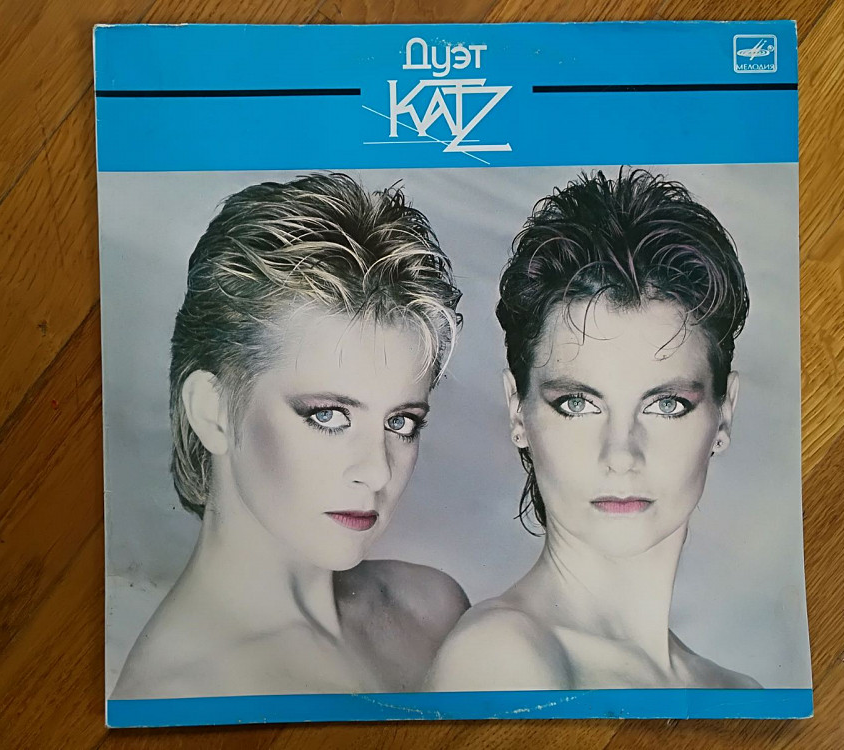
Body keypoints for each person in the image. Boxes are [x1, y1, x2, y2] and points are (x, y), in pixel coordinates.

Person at [113, 173, 469, 698]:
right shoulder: (182, 693)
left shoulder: (434, 609)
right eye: (328, 416)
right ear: (212, 412)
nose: (377, 471)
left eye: (401, 422)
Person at [426, 169, 760, 691]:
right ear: (518, 411)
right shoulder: (500, 659)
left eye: (666, 404)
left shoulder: (738, 691)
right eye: (577, 404)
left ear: (725, 412)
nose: (621, 454)